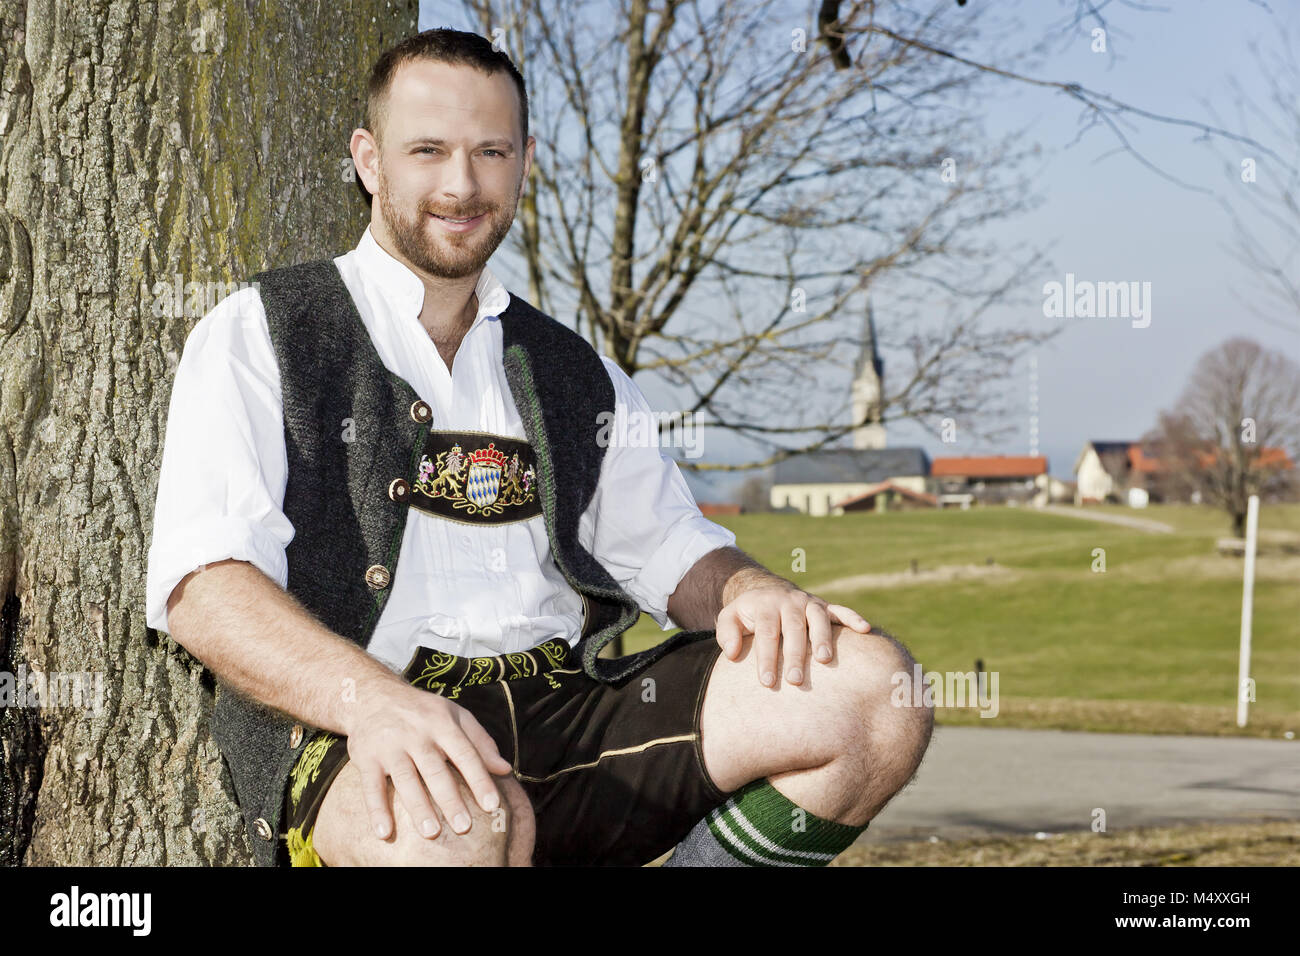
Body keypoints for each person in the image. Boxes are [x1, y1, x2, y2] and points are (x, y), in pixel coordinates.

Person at [145, 27, 934, 868]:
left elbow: (666, 545)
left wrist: (750, 590)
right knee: (456, 835)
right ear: (370, 161)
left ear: (524, 160)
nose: (461, 184)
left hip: (571, 707)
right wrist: (372, 701)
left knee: (878, 694)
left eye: (490, 151)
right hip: (363, 721)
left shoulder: (571, 368)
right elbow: (204, 585)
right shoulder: (262, 333)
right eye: (428, 150)